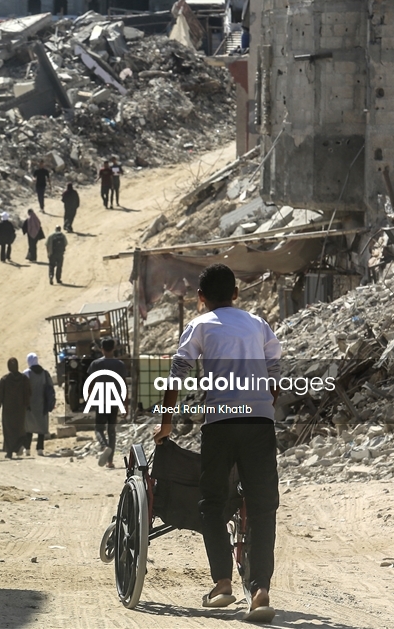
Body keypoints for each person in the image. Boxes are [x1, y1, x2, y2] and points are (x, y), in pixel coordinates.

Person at [154, 264, 281, 623]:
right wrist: (264, 401)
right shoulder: (257, 324)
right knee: (262, 504)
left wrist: (166, 424)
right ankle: (260, 592)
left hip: (221, 422)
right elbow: (275, 368)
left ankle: (223, 583)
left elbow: (176, 373)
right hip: (258, 422)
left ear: (201, 299)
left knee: (211, 502)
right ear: (236, 295)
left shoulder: (200, 326)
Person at [85, 338, 127, 469]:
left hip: (101, 399)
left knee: (98, 428)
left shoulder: (96, 364)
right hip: (115, 400)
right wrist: (125, 404)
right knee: (111, 430)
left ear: (101, 349)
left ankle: (104, 446)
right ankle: (110, 461)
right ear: (114, 348)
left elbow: (90, 383)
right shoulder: (120, 365)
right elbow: (124, 385)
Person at [0, 357, 30, 459]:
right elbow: (28, 393)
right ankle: (18, 447)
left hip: (8, 411)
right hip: (20, 410)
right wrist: (27, 405)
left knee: (9, 430)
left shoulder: (5, 380)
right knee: (19, 429)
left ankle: (9, 451)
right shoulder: (24, 379)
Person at [22, 353, 54, 457]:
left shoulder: (26, 373)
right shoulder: (45, 373)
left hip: (29, 405)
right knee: (41, 427)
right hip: (42, 404)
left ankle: (27, 449)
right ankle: (40, 448)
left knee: (28, 427)